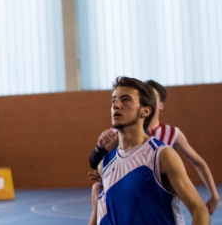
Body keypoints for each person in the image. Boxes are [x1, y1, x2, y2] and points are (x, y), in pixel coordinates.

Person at [88, 80, 219, 215]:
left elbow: (198, 162)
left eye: (126, 99)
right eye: (114, 100)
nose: (117, 105)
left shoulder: (171, 136)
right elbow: (98, 163)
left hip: (158, 197)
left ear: (158, 105)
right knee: (98, 191)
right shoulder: (121, 131)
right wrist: (100, 149)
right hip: (131, 199)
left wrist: (214, 194)